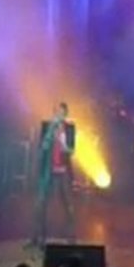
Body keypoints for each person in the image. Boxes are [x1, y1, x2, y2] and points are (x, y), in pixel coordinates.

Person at [30, 102, 75, 247]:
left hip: (64, 171)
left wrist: (64, 146)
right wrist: (51, 132)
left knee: (68, 205)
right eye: (57, 112)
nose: (59, 115)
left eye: (62, 113)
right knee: (41, 204)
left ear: (66, 114)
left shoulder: (69, 128)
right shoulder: (47, 127)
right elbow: (43, 147)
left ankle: (71, 239)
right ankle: (38, 238)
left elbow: (72, 150)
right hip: (48, 171)